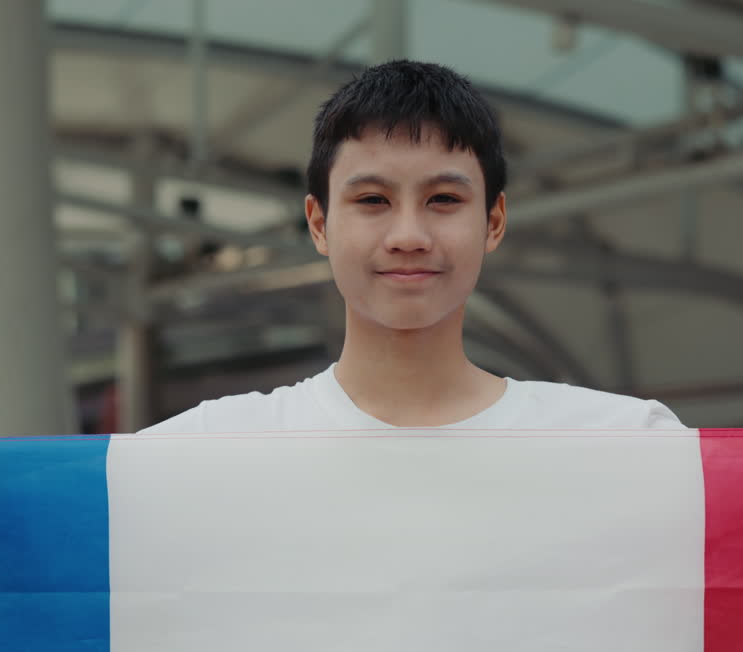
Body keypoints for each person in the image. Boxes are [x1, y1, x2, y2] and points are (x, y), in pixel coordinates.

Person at [140, 60, 683, 433]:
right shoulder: (210, 449)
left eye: (444, 199)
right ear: (319, 223)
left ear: (493, 221)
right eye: (373, 200)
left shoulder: (621, 443)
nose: (408, 237)